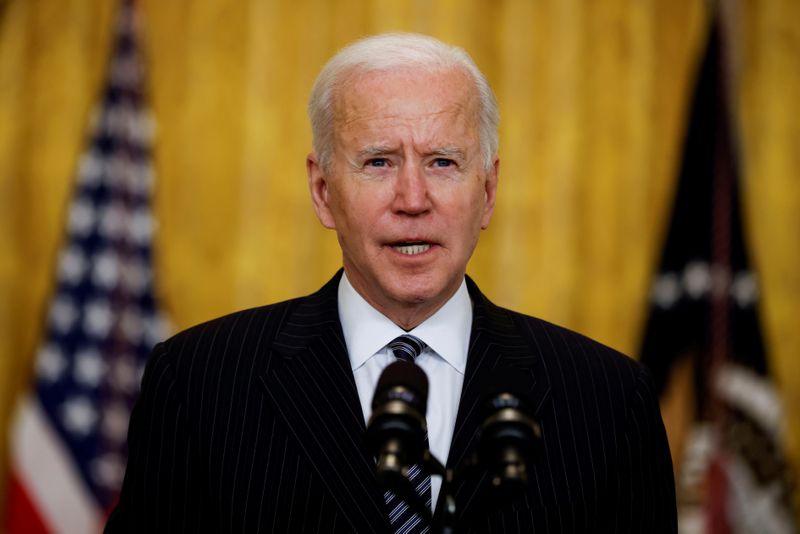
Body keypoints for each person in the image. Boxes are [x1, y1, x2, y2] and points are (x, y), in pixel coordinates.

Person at [105, 33, 676, 533]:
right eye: (378, 162)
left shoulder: (608, 400)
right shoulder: (200, 383)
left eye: (442, 163)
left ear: (489, 191)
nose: (412, 200)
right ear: (323, 191)